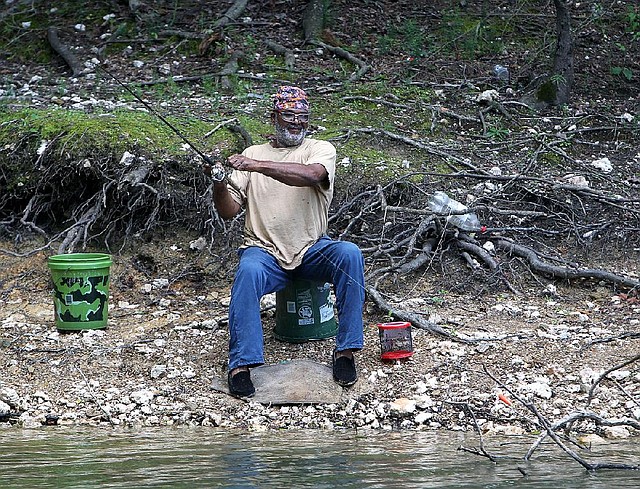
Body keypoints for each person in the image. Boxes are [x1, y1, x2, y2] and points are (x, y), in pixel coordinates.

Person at [212, 86, 365, 398]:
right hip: (264, 250)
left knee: (349, 254)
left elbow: (310, 175)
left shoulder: (320, 149)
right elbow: (229, 211)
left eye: (303, 117)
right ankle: (242, 365)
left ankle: (346, 352)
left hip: (312, 248)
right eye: (289, 115)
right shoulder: (253, 153)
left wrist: (257, 166)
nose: (297, 122)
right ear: (274, 117)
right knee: (248, 271)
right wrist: (218, 183)